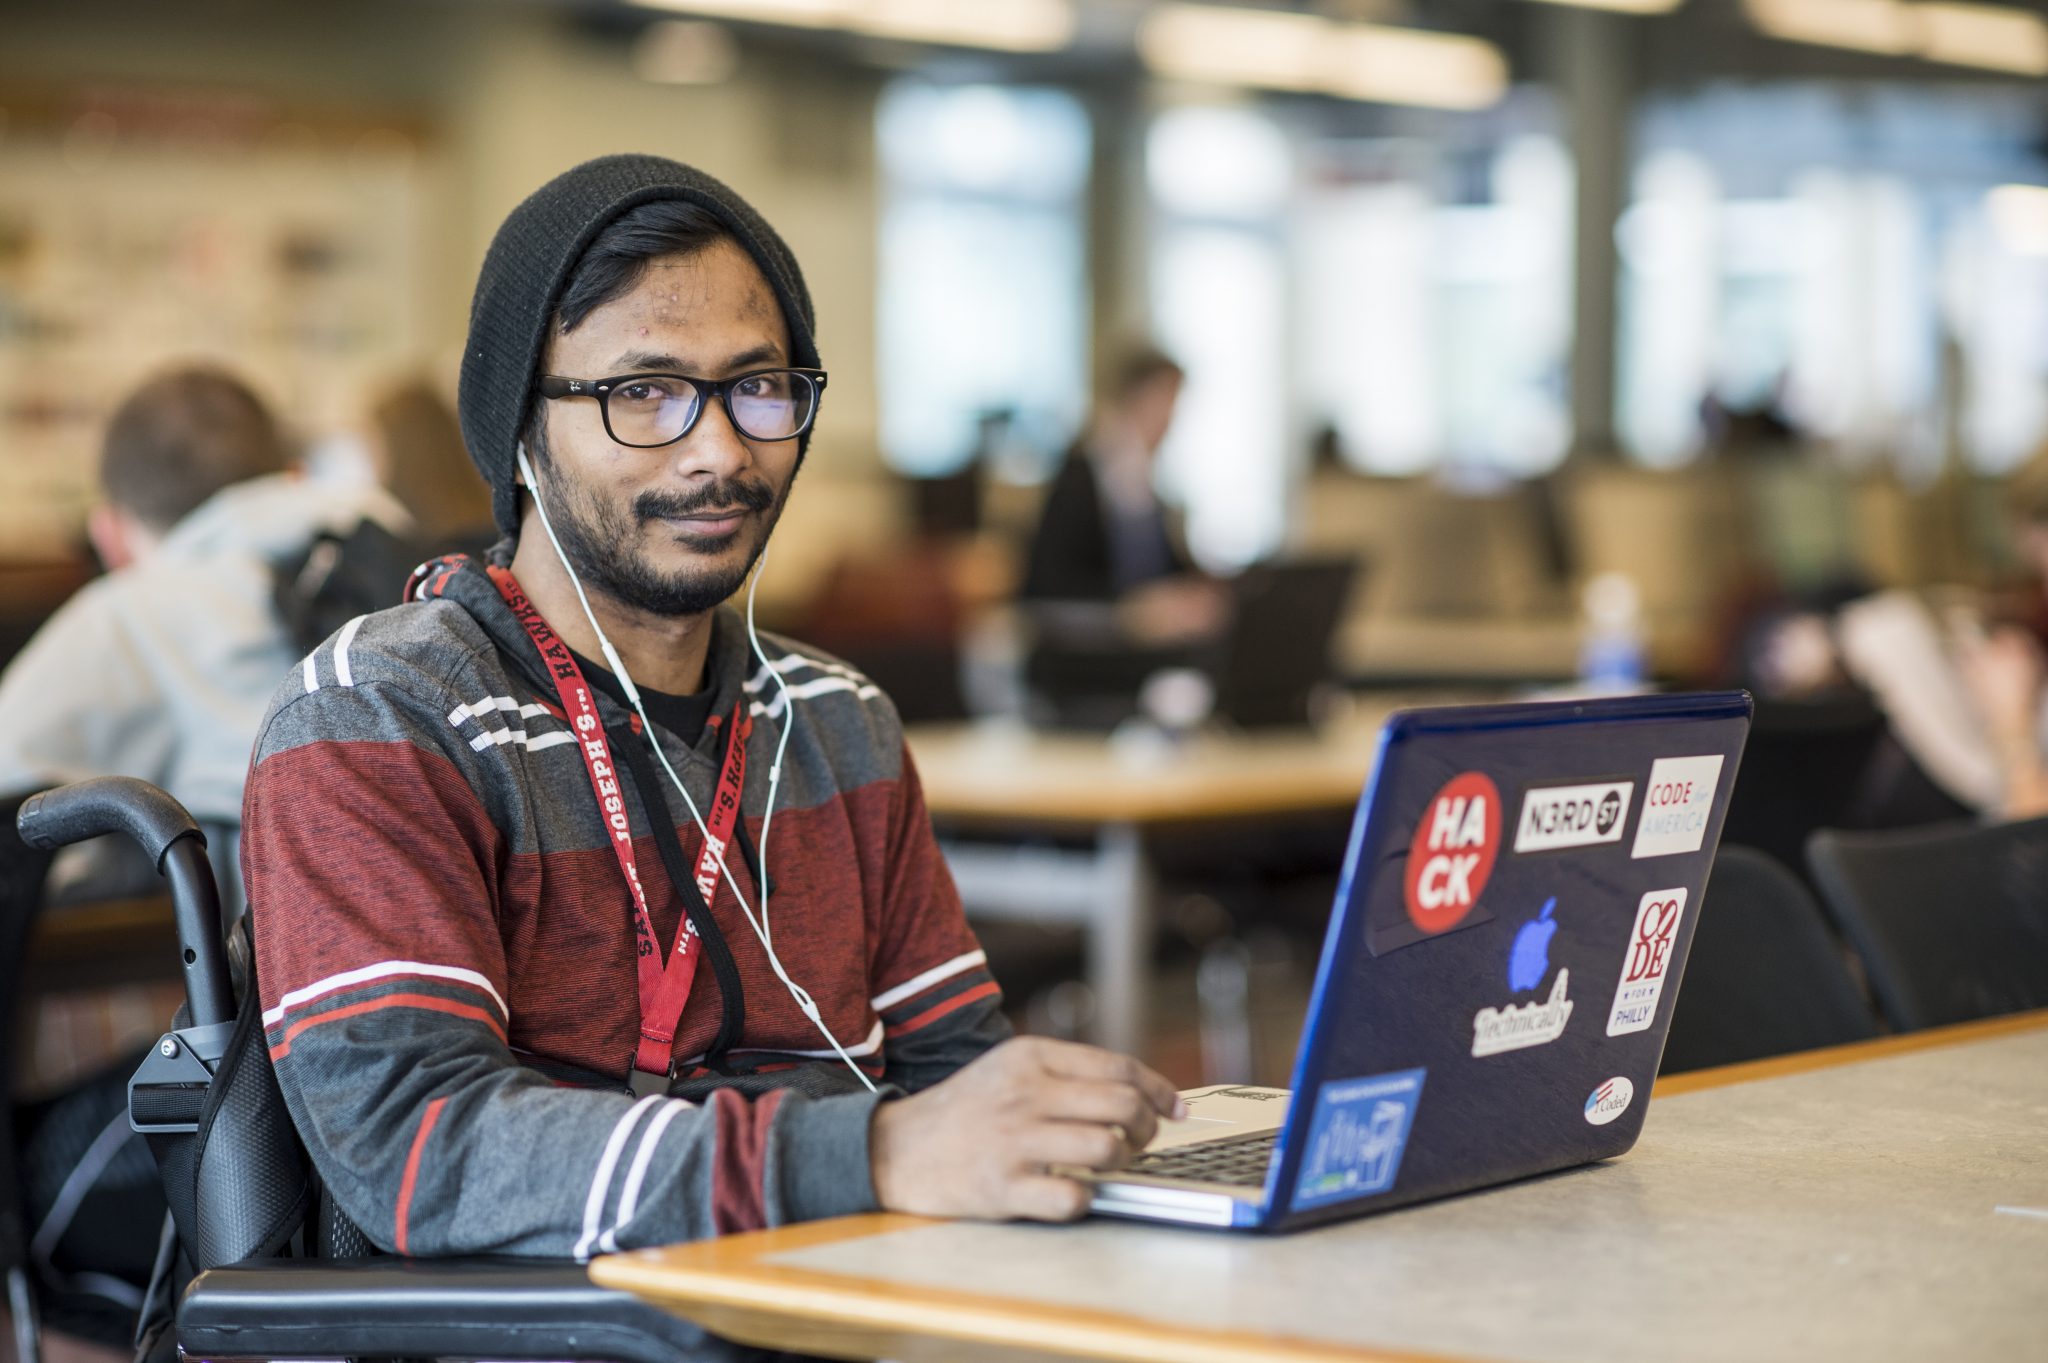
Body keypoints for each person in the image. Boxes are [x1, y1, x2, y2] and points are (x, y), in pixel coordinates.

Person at [240, 156, 1181, 1275]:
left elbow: (953, 1078)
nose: (721, 450)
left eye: (759, 386)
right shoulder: (380, 717)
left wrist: (1060, 1131)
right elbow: (420, 1151)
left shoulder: (838, 720)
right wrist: (867, 1153)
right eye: (643, 392)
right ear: (519, 432)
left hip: (867, 1307)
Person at [0, 364, 398, 893]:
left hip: (288, 953)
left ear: (110, 535)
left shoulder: (133, 610)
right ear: (293, 475)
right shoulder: (409, 554)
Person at [1018, 345, 1222, 644]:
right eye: (1165, 401)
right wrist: (1130, 610)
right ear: (1134, 398)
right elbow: (1048, 587)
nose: (1170, 419)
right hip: (1092, 647)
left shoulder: (1148, 487)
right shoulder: (1081, 478)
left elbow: (1171, 569)